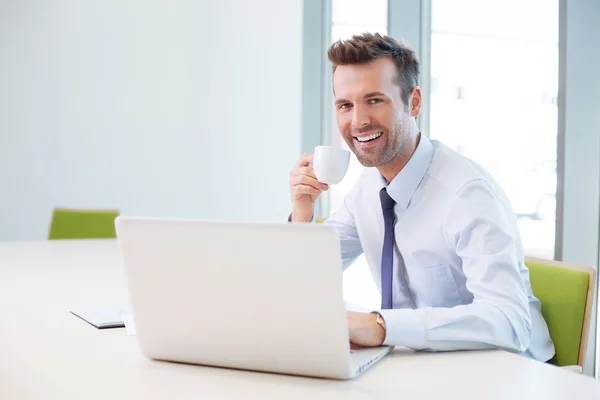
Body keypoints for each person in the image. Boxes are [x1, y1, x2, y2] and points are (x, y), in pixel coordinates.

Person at [288, 33, 554, 362]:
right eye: (345, 105)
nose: (357, 121)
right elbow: (304, 277)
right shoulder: (369, 188)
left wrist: (380, 326)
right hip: (423, 364)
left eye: (374, 100)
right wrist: (302, 212)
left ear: (413, 102)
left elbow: (510, 322)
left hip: (508, 371)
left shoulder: (466, 193)